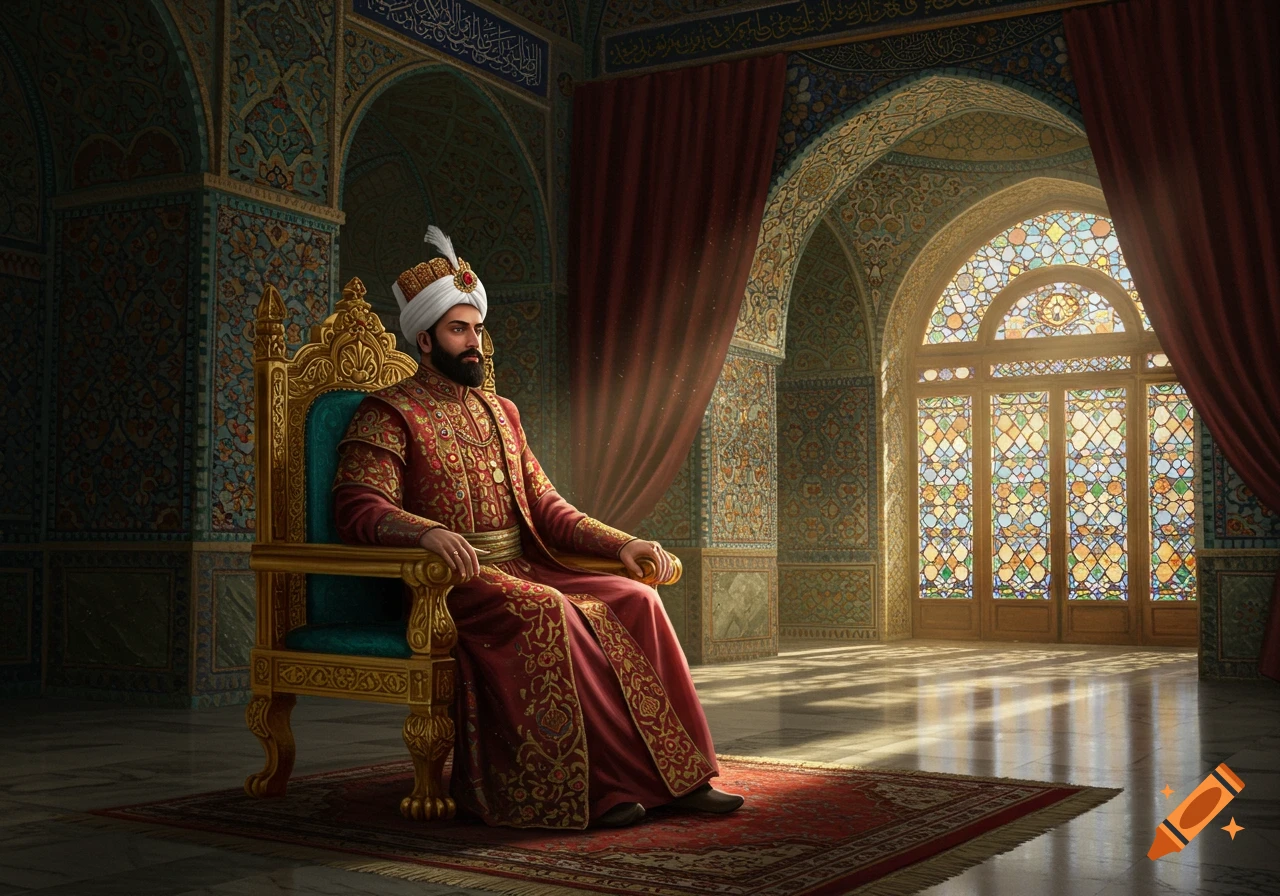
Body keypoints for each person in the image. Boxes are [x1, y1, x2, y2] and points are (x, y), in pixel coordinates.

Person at [332, 227, 743, 830]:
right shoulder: (387, 412)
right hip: (450, 584)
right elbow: (358, 506)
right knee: (553, 610)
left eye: (477, 329)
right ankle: (598, 788)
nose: (475, 343)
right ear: (424, 338)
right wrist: (424, 533)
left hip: (526, 566)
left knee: (637, 598)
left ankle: (681, 779)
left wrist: (623, 544)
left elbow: (548, 507)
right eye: (458, 330)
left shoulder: (502, 413)